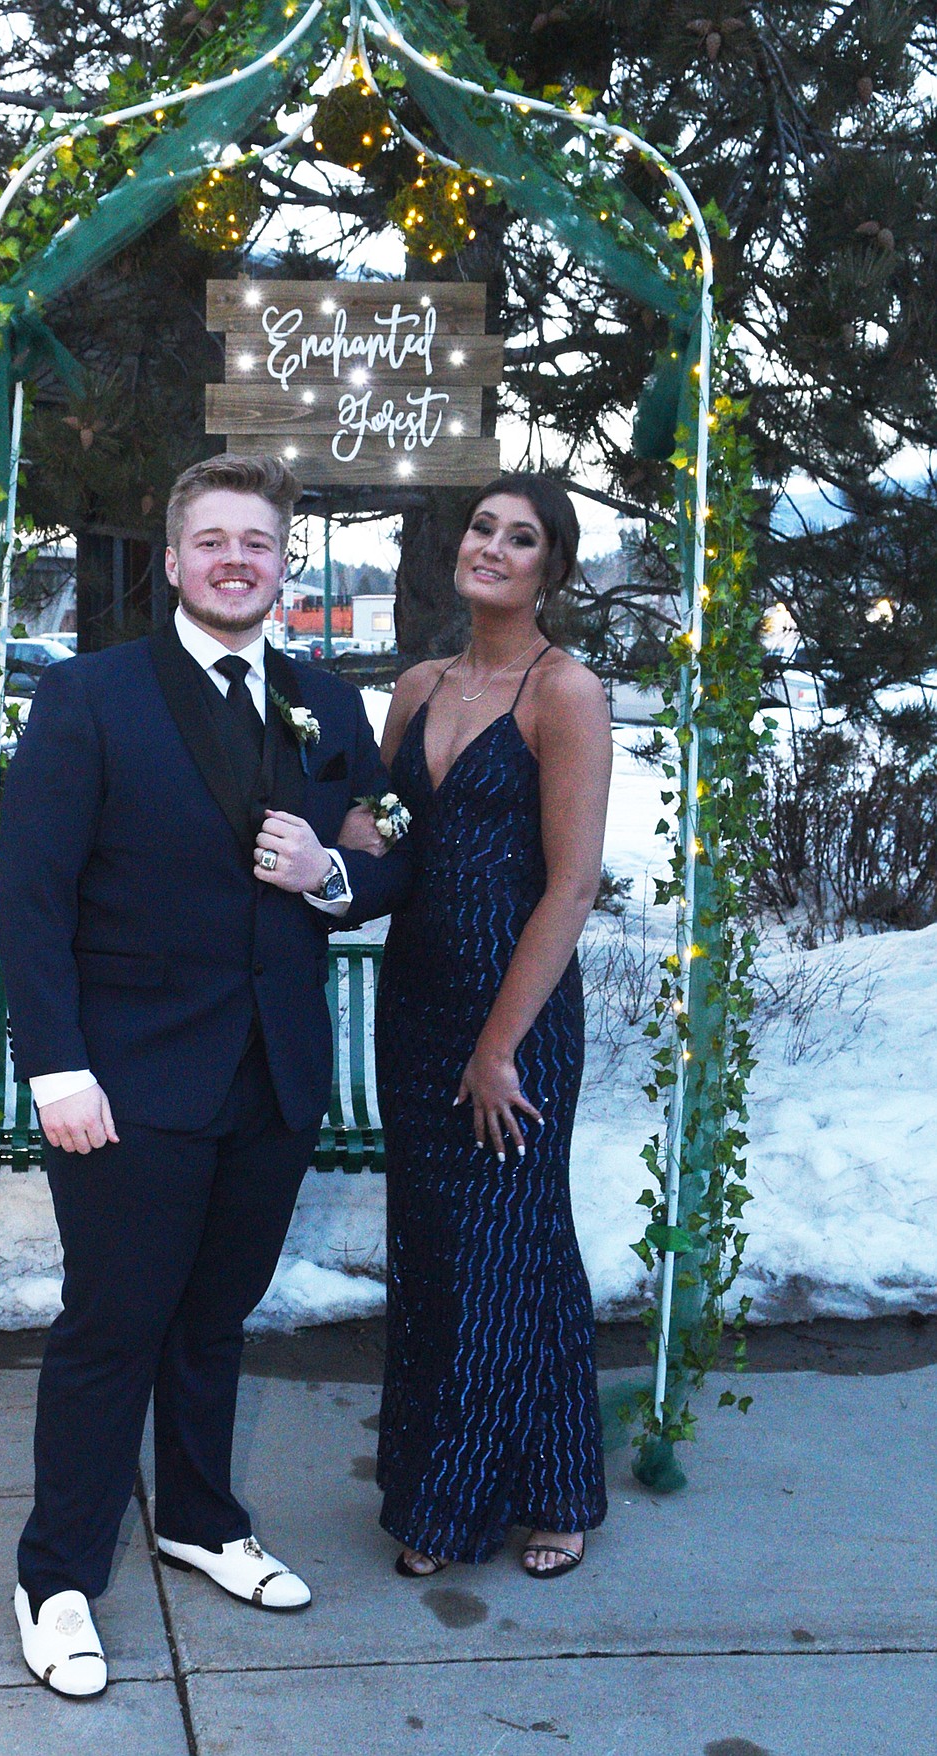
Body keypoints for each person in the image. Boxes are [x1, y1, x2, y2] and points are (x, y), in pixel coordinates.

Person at [0, 454, 410, 1697]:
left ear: (285, 567)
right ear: (174, 561)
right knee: (112, 1327)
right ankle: (57, 1574)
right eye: (214, 540)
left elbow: (390, 845)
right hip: (126, 1080)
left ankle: (201, 1518)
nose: (239, 559)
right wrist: (57, 1066)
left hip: (273, 1075)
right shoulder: (89, 698)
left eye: (260, 543)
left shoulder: (330, 705)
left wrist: (326, 878)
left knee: (214, 1320)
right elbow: (32, 897)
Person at [360, 473, 612, 1580]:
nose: (493, 548)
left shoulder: (567, 694)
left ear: (550, 570)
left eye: (521, 539)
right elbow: (386, 832)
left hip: (518, 1019)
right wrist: (326, 835)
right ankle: (558, 1482)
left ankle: (449, 1507)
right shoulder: (417, 687)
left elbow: (571, 886)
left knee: (501, 1251)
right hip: (413, 1008)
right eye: (482, 528)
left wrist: (501, 1044)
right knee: (443, 1250)